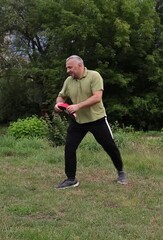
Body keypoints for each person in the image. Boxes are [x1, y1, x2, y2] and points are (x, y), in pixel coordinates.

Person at [54, 55, 127, 189]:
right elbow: (61, 96)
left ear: (80, 66)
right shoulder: (68, 81)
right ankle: (71, 179)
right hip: (78, 121)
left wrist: (77, 106)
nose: (68, 70)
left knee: (109, 146)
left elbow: (97, 97)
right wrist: (58, 104)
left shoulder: (94, 76)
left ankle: (121, 171)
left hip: (97, 119)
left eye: (70, 67)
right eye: (67, 68)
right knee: (69, 147)